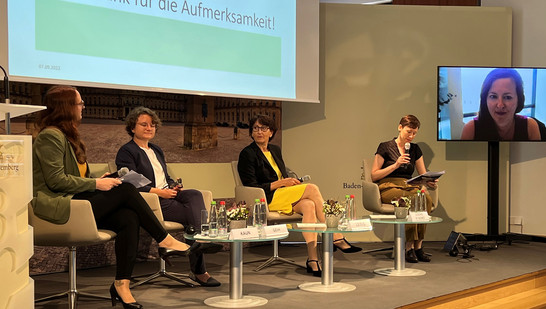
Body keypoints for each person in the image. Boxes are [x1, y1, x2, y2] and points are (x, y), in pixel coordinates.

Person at [31, 86, 191, 309]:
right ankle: (164, 239)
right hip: (57, 207)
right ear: (66, 107)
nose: (83, 107)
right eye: (79, 103)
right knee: (126, 190)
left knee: (128, 217)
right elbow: (56, 181)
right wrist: (97, 183)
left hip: (77, 202)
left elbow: (76, 177)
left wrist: (99, 178)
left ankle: (121, 284)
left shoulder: (68, 136)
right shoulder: (50, 136)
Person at [237, 115, 362, 277]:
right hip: (264, 198)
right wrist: (282, 184)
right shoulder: (247, 154)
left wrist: (289, 182)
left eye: (264, 128)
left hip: (282, 195)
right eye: (256, 128)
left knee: (309, 205)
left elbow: (280, 176)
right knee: (312, 188)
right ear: (251, 132)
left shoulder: (275, 150)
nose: (259, 132)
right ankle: (335, 236)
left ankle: (312, 259)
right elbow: (251, 186)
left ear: (271, 132)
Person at [115, 106, 221, 287]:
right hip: (152, 200)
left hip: (168, 194)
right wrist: (160, 192)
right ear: (132, 127)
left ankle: (201, 240)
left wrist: (173, 186)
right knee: (192, 218)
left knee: (194, 195)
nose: (149, 128)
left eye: (153, 125)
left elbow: (165, 177)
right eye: (144, 124)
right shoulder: (127, 151)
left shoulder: (156, 149)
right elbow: (130, 182)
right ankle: (199, 270)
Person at [371, 115, 438, 263]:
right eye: (409, 132)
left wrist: (430, 181)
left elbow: (423, 174)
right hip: (388, 186)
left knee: (425, 198)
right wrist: (395, 165)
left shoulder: (415, 149)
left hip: (408, 185)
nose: (411, 136)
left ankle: (418, 246)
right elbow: (374, 175)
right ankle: (408, 248)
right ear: (400, 128)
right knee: (412, 199)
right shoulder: (385, 146)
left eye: (414, 133)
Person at [461, 68, 542, 141]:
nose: (500, 105)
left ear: (519, 99)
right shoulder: (471, 130)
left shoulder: (530, 127)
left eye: (507, 97)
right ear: (485, 99)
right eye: (493, 96)